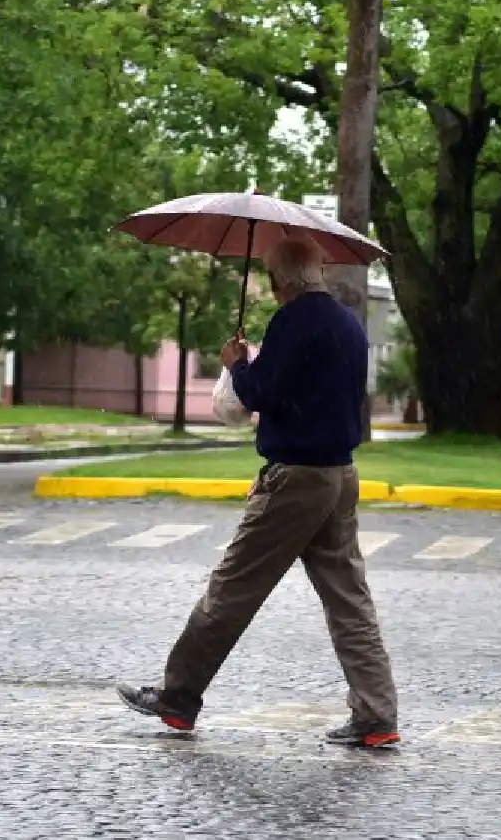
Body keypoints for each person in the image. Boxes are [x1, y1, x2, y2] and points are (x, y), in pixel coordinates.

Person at [116, 237, 400, 748]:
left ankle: (178, 698)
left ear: (280, 280)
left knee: (232, 588)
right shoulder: (349, 325)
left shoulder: (293, 322)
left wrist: (236, 362)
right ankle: (377, 716)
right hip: (340, 475)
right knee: (349, 600)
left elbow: (256, 393)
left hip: (293, 478)